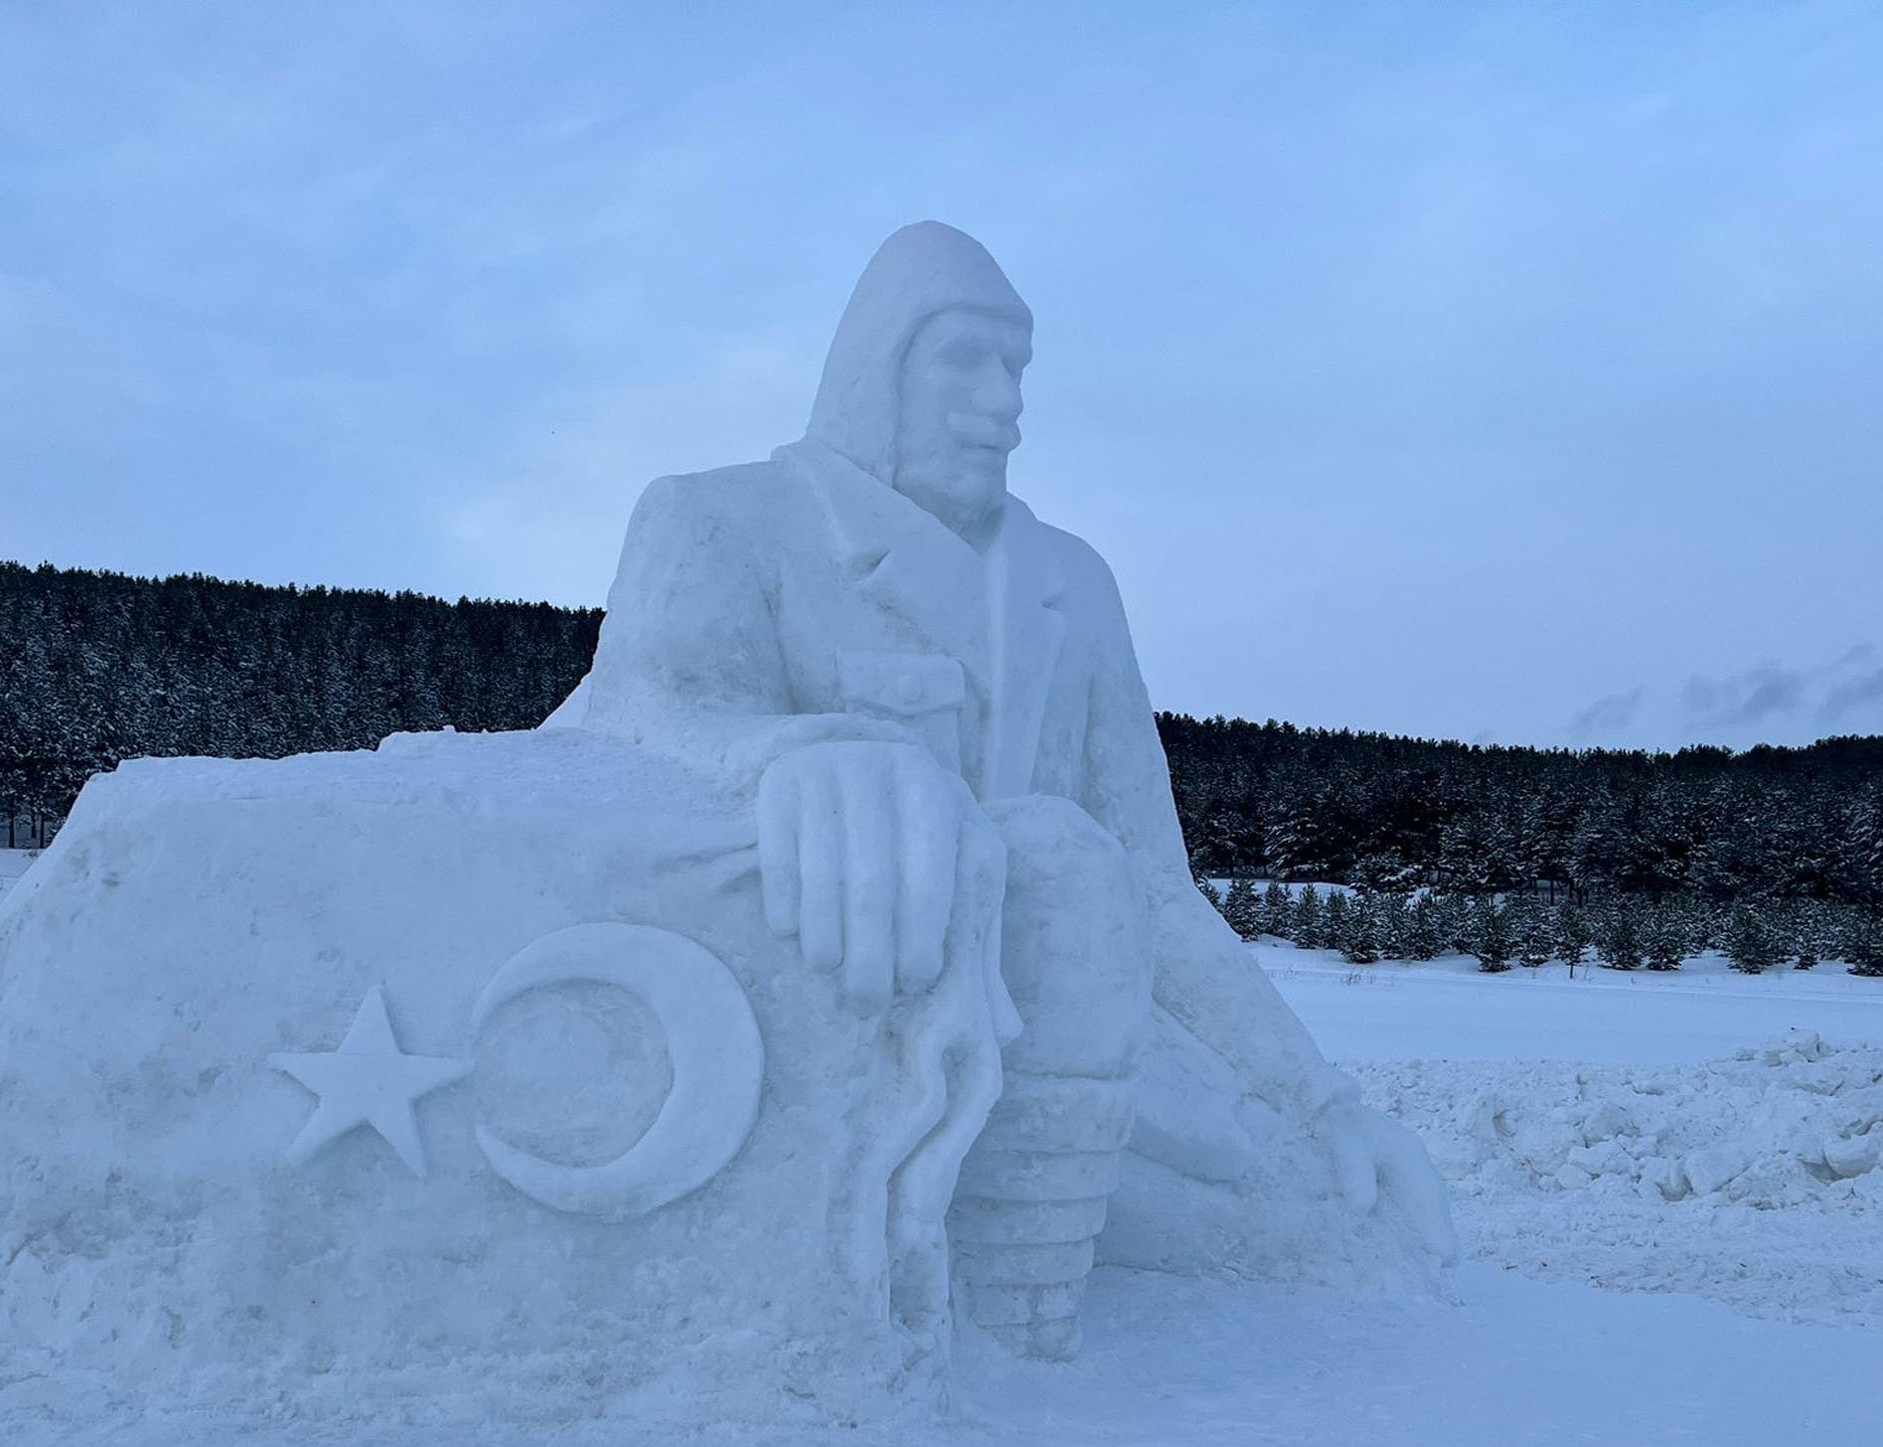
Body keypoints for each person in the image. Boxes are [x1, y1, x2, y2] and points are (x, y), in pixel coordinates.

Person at [572, 221, 1453, 1357]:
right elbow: (633, 727)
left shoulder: (1069, 583)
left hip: (1066, 1044)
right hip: (844, 1025)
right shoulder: (722, 521)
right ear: (880, 365)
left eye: (1017, 367)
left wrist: (1317, 1096)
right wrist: (788, 756)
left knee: (1355, 1222)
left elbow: (1151, 885)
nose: (1005, 402)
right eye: (966, 360)